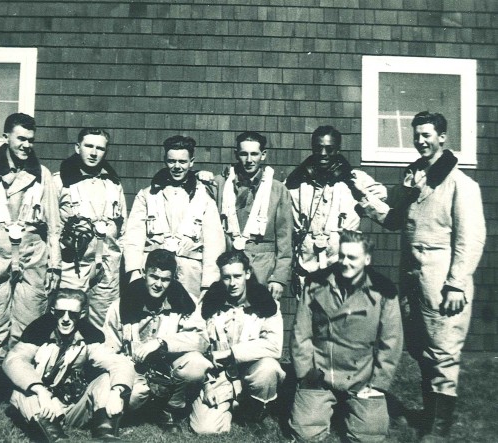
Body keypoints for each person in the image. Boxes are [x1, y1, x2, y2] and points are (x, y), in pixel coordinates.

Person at [359, 111, 486, 440]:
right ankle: (429, 417)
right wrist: (368, 206)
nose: (421, 140)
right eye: (417, 135)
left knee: (443, 351)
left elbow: (470, 239)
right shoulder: (415, 177)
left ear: (443, 137)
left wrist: (456, 283)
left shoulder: (460, 184)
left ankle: (438, 430)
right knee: (423, 350)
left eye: (428, 135)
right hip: (413, 280)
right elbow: (396, 220)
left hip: (443, 281)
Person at [0, 112, 61, 406]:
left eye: (31, 140)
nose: (26, 145)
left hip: (32, 257)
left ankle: (16, 381)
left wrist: (54, 264)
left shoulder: (41, 174)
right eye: (20, 139)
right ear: (6, 137)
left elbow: (54, 225)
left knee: (28, 321)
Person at [289, 230, 403, 442]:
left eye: (352, 257)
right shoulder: (316, 284)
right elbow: (301, 334)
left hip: (361, 377)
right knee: (305, 434)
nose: (344, 262)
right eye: (341, 256)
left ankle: (355, 408)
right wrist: (305, 375)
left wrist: (378, 383)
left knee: (369, 436)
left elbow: (392, 342)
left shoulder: (384, 290)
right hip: (320, 374)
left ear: (367, 259)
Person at [3, 289, 135, 442]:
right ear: (53, 311)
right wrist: (40, 391)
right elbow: (13, 360)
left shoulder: (89, 335)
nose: (66, 319)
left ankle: (105, 435)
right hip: (42, 405)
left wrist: (116, 391)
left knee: (107, 379)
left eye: (72, 314)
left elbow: (118, 362)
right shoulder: (38, 330)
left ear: (82, 314)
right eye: (60, 313)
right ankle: (56, 438)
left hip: (74, 405)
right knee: (22, 391)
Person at [103, 249, 210, 433]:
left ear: (173, 278)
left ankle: (169, 410)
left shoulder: (185, 302)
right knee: (136, 394)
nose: (158, 284)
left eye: (165, 279)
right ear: (144, 273)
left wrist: (162, 342)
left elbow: (201, 341)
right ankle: (134, 411)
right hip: (134, 368)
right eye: (154, 277)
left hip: (167, 368)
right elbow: (108, 348)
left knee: (196, 363)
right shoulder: (121, 305)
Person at [188, 250, 286, 435]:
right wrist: (207, 385)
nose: (232, 283)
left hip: (251, 372)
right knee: (205, 429)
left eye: (237, 276)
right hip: (219, 375)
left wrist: (231, 353)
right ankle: (233, 407)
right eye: (227, 277)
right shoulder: (209, 303)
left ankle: (256, 411)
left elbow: (274, 345)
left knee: (269, 368)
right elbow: (195, 340)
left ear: (247, 274)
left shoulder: (266, 303)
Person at [285, 126, 386, 298]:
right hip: (307, 269)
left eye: (329, 149)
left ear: (338, 150)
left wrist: (360, 192)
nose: (323, 153)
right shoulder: (296, 183)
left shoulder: (356, 179)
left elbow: (382, 202)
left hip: (343, 268)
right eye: (318, 148)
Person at [123, 135, 225, 302]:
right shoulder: (147, 195)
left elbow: (214, 245)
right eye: (172, 161)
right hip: (154, 274)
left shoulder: (204, 198)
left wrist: (208, 285)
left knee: (189, 320)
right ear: (165, 161)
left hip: (190, 275)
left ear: (191, 162)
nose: (177, 166)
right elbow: (134, 237)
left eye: (182, 162)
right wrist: (134, 271)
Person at [53, 128, 127, 329]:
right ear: (78, 148)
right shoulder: (60, 181)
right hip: (73, 265)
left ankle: (96, 359)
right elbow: (52, 227)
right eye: (89, 146)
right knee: (69, 317)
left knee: (104, 323)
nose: (94, 153)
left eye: (100, 148)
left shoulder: (113, 183)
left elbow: (123, 228)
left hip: (107, 265)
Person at [206, 131, 292, 300]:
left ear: (263, 155)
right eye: (244, 154)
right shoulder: (220, 184)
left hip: (263, 270)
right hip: (228, 271)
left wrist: (279, 278)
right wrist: (198, 175)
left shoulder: (277, 190)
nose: (249, 160)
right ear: (236, 154)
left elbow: (285, 238)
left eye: (254, 154)